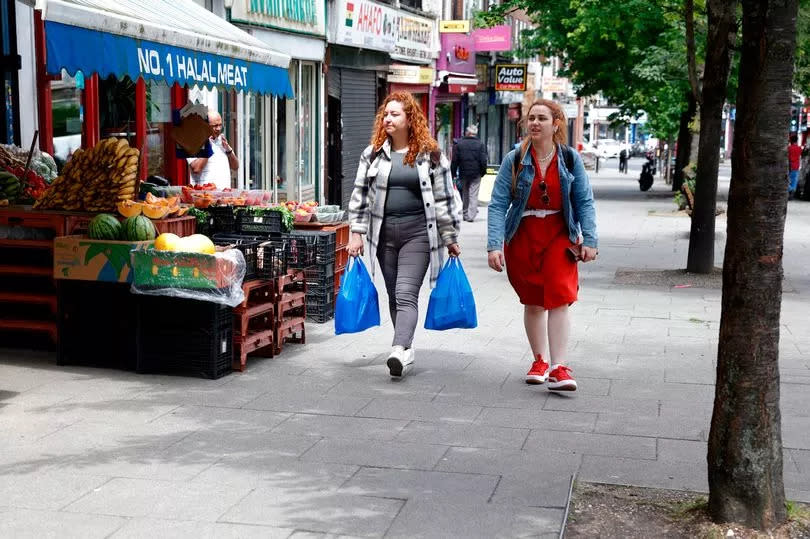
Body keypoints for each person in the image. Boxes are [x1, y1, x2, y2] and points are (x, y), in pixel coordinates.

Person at [347, 91, 462, 378]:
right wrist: (356, 233)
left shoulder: (430, 153)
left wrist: (450, 237)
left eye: (395, 114)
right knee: (392, 295)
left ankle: (398, 348)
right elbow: (359, 195)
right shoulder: (372, 153)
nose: (388, 118)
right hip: (383, 234)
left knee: (405, 292)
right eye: (385, 114)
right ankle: (406, 349)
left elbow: (444, 198)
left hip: (418, 234)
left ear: (410, 118)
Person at [486, 99, 598, 392]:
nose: (535, 123)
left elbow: (584, 201)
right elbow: (498, 204)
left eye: (542, 118)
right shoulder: (515, 159)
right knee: (534, 300)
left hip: (560, 233)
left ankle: (559, 367)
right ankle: (539, 360)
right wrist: (493, 244)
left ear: (556, 124)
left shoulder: (570, 159)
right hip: (523, 234)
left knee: (560, 295)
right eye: (531, 118)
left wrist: (591, 239)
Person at [187, 109, 239, 189]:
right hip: (204, 196)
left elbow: (235, 166)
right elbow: (196, 168)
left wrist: (228, 150)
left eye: (220, 125)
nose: (218, 129)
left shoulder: (221, 141)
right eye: (215, 126)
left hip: (224, 195)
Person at [451, 125, 488, 222]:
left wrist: (453, 173)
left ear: (467, 133)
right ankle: (471, 216)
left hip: (463, 172)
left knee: (465, 193)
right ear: (475, 133)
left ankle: (465, 213)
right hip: (476, 173)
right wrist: (483, 172)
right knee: (473, 194)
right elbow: (483, 160)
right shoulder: (480, 144)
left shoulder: (459, 144)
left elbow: (455, 160)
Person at [788, 133, 802, 199]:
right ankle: (792, 192)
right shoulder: (799, 148)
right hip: (796, 166)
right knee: (794, 181)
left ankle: (790, 190)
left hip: (790, 166)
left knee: (787, 180)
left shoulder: (789, 148)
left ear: (790, 140)